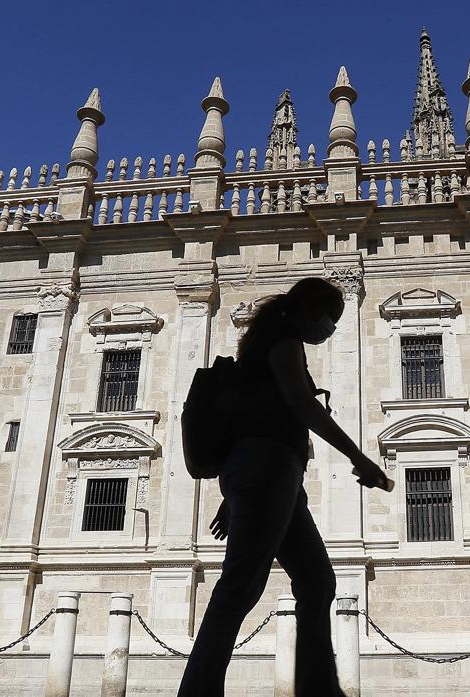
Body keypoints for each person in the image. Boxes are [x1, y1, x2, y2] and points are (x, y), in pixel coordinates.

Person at [177, 277, 393, 697]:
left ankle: (318, 688)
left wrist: (233, 495)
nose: (330, 329)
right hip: (269, 470)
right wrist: (357, 455)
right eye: (330, 318)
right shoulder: (283, 343)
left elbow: (253, 423)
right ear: (308, 311)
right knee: (241, 584)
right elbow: (300, 405)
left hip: (273, 476)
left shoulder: (264, 347)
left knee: (316, 581)